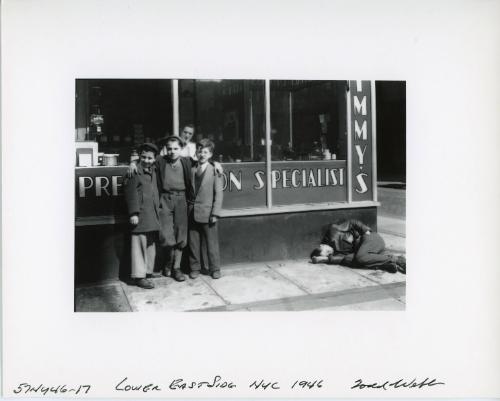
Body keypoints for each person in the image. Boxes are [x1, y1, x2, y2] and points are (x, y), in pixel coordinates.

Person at [123, 143, 160, 289]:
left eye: (150, 158)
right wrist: (133, 213)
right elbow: (130, 193)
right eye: (143, 157)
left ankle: (147, 271)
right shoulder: (134, 171)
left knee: (150, 244)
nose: (146, 160)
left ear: (154, 159)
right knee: (139, 244)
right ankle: (139, 276)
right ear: (139, 156)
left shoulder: (153, 170)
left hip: (151, 214)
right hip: (140, 214)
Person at [310, 219, 406, 273]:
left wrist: (365, 230)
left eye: (326, 250)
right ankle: (384, 264)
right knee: (347, 259)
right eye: (327, 254)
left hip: (369, 238)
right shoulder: (336, 252)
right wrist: (326, 260)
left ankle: (396, 259)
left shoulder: (333, 232)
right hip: (369, 251)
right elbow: (344, 259)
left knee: (360, 258)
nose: (329, 252)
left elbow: (352, 222)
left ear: (322, 245)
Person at [188, 139, 223, 279]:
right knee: (193, 242)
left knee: (211, 243)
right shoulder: (192, 168)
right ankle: (195, 268)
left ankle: (215, 268)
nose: (202, 154)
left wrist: (215, 213)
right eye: (200, 151)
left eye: (205, 152)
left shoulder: (215, 170)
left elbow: (219, 194)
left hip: (208, 212)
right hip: (192, 212)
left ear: (210, 154)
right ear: (196, 152)